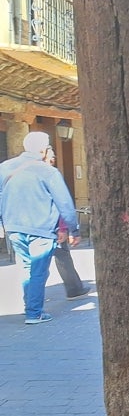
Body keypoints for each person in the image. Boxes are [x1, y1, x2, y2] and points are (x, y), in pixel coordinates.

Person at [0, 131, 80, 324]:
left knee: (26, 267)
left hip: (14, 226)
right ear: (44, 149)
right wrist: (73, 229)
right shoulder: (48, 172)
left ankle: (30, 307)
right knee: (38, 271)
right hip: (41, 228)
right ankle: (34, 312)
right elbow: (64, 203)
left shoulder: (4, 167)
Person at [43, 146, 92, 299]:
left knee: (32, 264)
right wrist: (67, 228)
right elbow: (61, 203)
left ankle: (32, 299)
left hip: (29, 226)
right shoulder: (50, 174)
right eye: (51, 156)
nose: (53, 159)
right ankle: (74, 289)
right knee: (62, 257)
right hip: (52, 226)